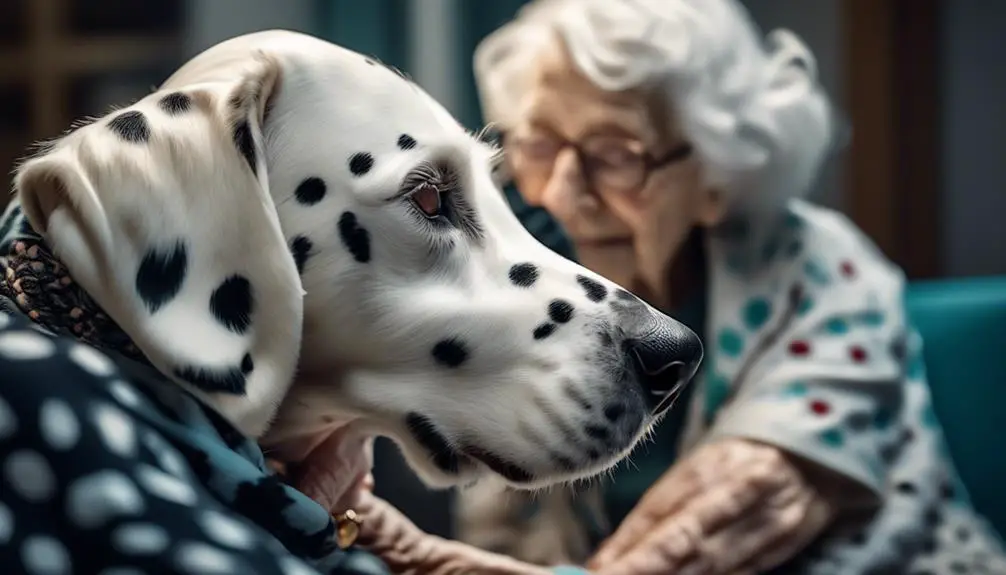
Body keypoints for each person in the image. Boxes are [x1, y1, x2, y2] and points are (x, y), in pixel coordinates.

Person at [453, 0, 1006, 573]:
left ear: (717, 173)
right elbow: (499, 521)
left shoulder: (816, 267)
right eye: (539, 146)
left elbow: (732, 519)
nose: (563, 197)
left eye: (616, 155)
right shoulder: (527, 294)